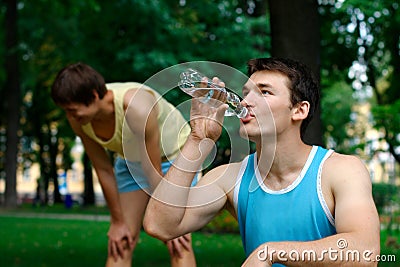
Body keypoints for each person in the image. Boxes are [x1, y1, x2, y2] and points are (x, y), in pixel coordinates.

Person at [144, 57, 380, 266]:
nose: (245, 102)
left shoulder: (341, 170)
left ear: (299, 110)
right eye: (246, 93)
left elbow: (365, 253)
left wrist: (271, 252)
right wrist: (197, 139)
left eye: (264, 92)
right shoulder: (230, 178)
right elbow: (159, 225)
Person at [51, 62, 197, 267]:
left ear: (93, 96)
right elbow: (103, 169)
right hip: (131, 162)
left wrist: (168, 220)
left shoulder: (137, 107)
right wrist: (117, 221)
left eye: (72, 110)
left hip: (175, 158)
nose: (70, 117)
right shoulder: (79, 120)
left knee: (178, 241)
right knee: (122, 240)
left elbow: (151, 168)